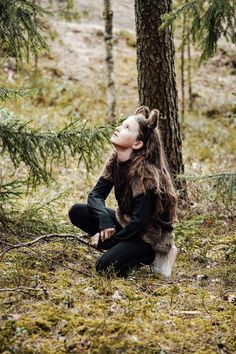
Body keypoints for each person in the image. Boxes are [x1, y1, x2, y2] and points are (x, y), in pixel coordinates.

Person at [68, 106, 177, 278]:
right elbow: (95, 195)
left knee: (104, 267)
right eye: (121, 124)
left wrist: (109, 240)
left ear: (137, 143)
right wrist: (105, 222)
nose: (118, 128)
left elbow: (140, 223)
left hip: (148, 238)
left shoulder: (144, 174)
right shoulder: (115, 161)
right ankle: (123, 249)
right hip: (127, 223)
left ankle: (155, 256)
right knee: (77, 211)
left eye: (127, 128)